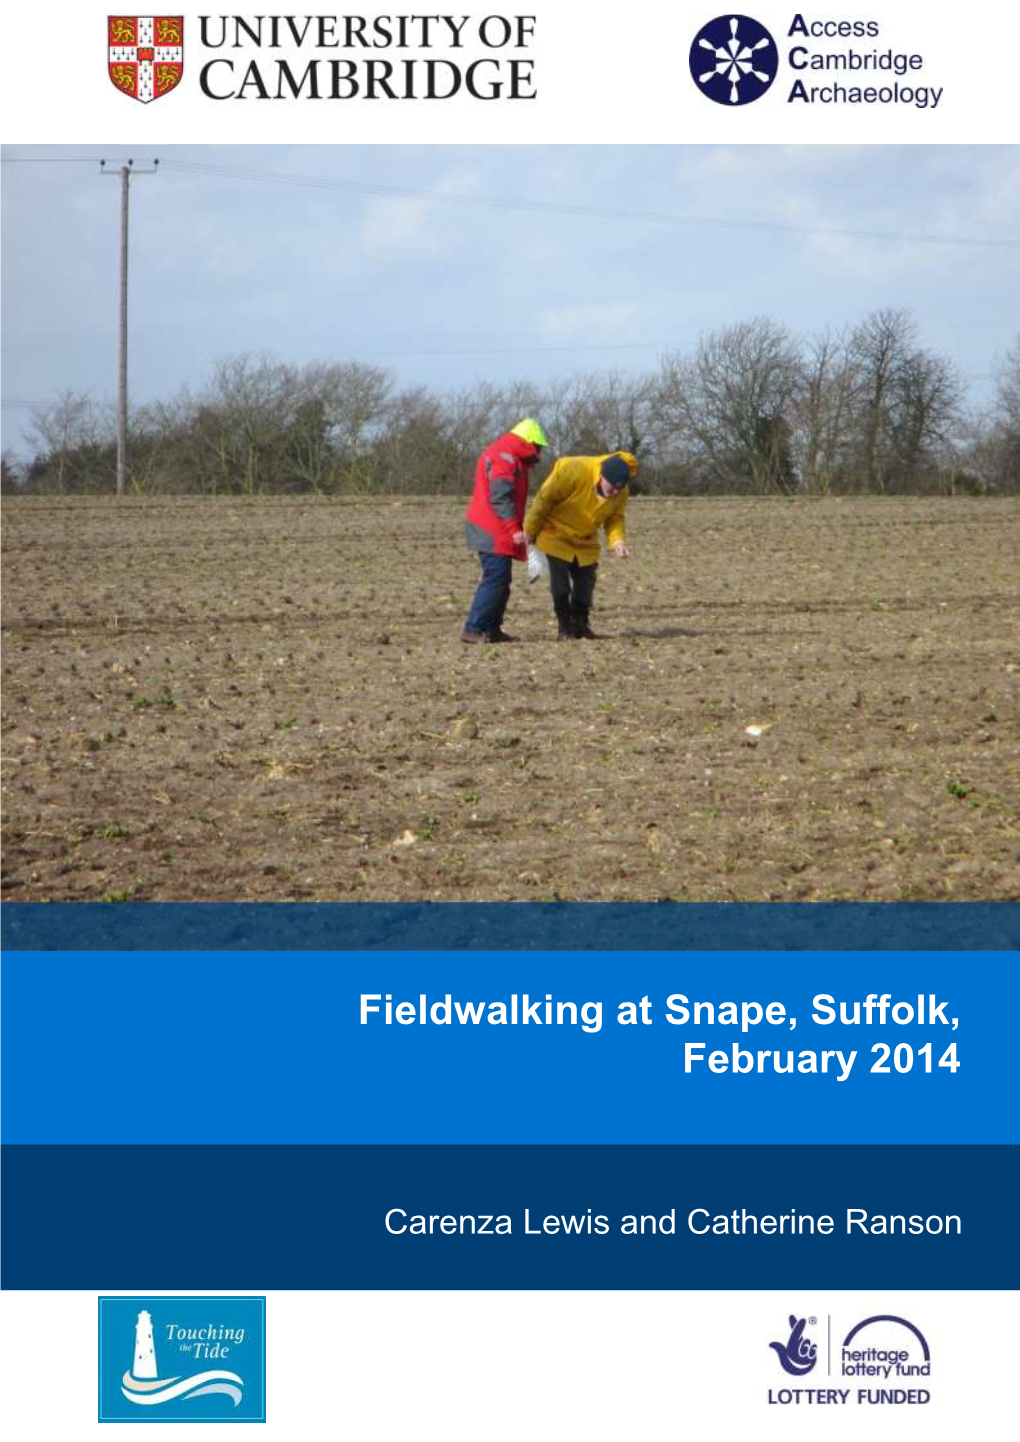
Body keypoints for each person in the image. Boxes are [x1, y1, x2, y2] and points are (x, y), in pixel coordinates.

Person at [524, 451, 636, 639]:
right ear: (601, 475)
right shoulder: (574, 470)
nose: (615, 492)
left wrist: (617, 541)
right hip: (556, 535)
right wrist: (529, 530)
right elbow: (544, 500)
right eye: (612, 486)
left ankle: (581, 625)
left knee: (585, 587)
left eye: (619, 488)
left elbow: (615, 519)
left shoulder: (621, 493)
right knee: (560, 589)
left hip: (585, 542)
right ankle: (564, 627)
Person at [461, 418, 549, 643]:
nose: (538, 454)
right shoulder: (504, 457)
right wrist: (513, 528)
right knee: (495, 578)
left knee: (501, 580)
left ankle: (491, 629)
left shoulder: (509, 455)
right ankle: (474, 628)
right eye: (537, 448)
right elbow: (500, 497)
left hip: (493, 527)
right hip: (491, 528)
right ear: (528, 442)